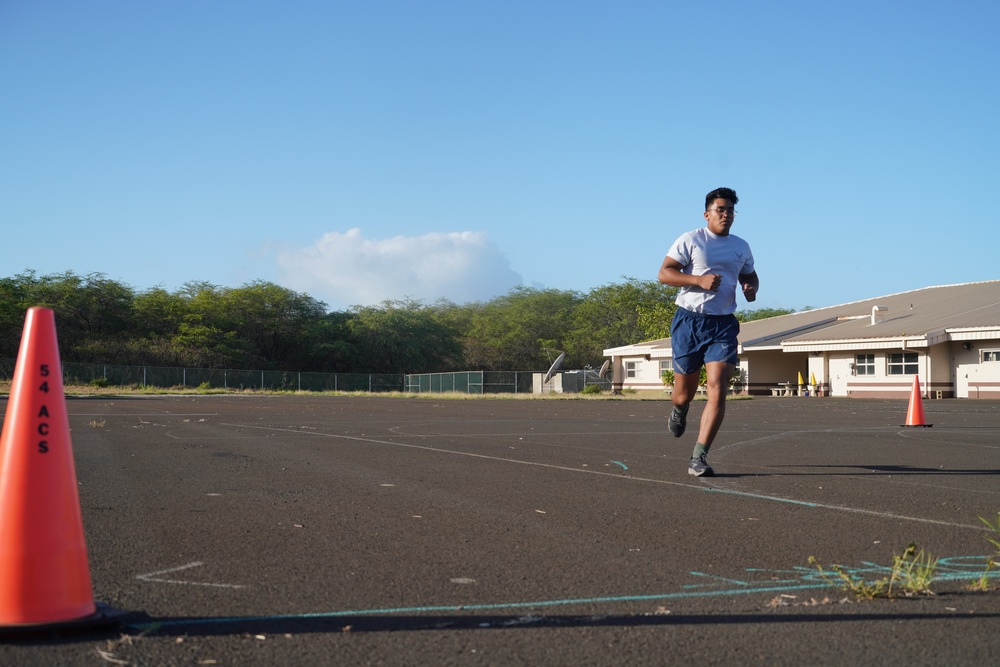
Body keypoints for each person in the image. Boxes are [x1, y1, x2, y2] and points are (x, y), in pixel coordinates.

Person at [657, 187, 759, 477]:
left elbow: (749, 274)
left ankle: (698, 456)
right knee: (683, 393)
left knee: (718, 385)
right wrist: (697, 281)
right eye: (720, 210)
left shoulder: (741, 246)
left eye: (730, 210)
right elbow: (664, 273)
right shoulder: (691, 240)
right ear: (707, 214)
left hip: (722, 324)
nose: (726, 215)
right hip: (689, 322)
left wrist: (751, 287)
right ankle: (679, 410)